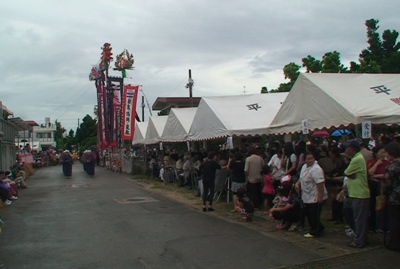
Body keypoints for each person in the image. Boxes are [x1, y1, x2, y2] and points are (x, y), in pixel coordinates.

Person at [344, 139, 370, 248]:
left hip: (360, 193)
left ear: (352, 149)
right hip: (357, 192)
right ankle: (362, 238)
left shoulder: (357, 159)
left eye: (347, 148)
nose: (346, 150)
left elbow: (347, 172)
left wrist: (350, 174)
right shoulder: (357, 157)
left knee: (359, 219)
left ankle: (359, 240)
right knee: (359, 218)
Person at [295, 151, 327, 238]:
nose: (310, 161)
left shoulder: (316, 169)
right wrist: (298, 183)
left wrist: (319, 196)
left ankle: (315, 231)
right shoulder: (304, 167)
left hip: (314, 194)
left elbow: (320, 183)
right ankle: (319, 227)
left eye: (311, 159)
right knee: (308, 213)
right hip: (306, 194)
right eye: (308, 159)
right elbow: (302, 177)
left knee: (314, 214)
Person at [367, 144, 390, 233]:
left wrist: (378, 175)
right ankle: (372, 225)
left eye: (385, 152)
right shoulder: (371, 162)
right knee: (372, 205)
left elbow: (389, 174)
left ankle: (384, 226)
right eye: (381, 152)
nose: (383, 154)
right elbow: (370, 173)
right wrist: (377, 163)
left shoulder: (388, 163)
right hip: (373, 185)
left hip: (384, 185)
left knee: (383, 204)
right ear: (376, 153)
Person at [383, 142, 400, 251]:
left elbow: (387, 183)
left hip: (395, 197)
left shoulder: (392, 166)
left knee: (395, 221)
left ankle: (395, 243)